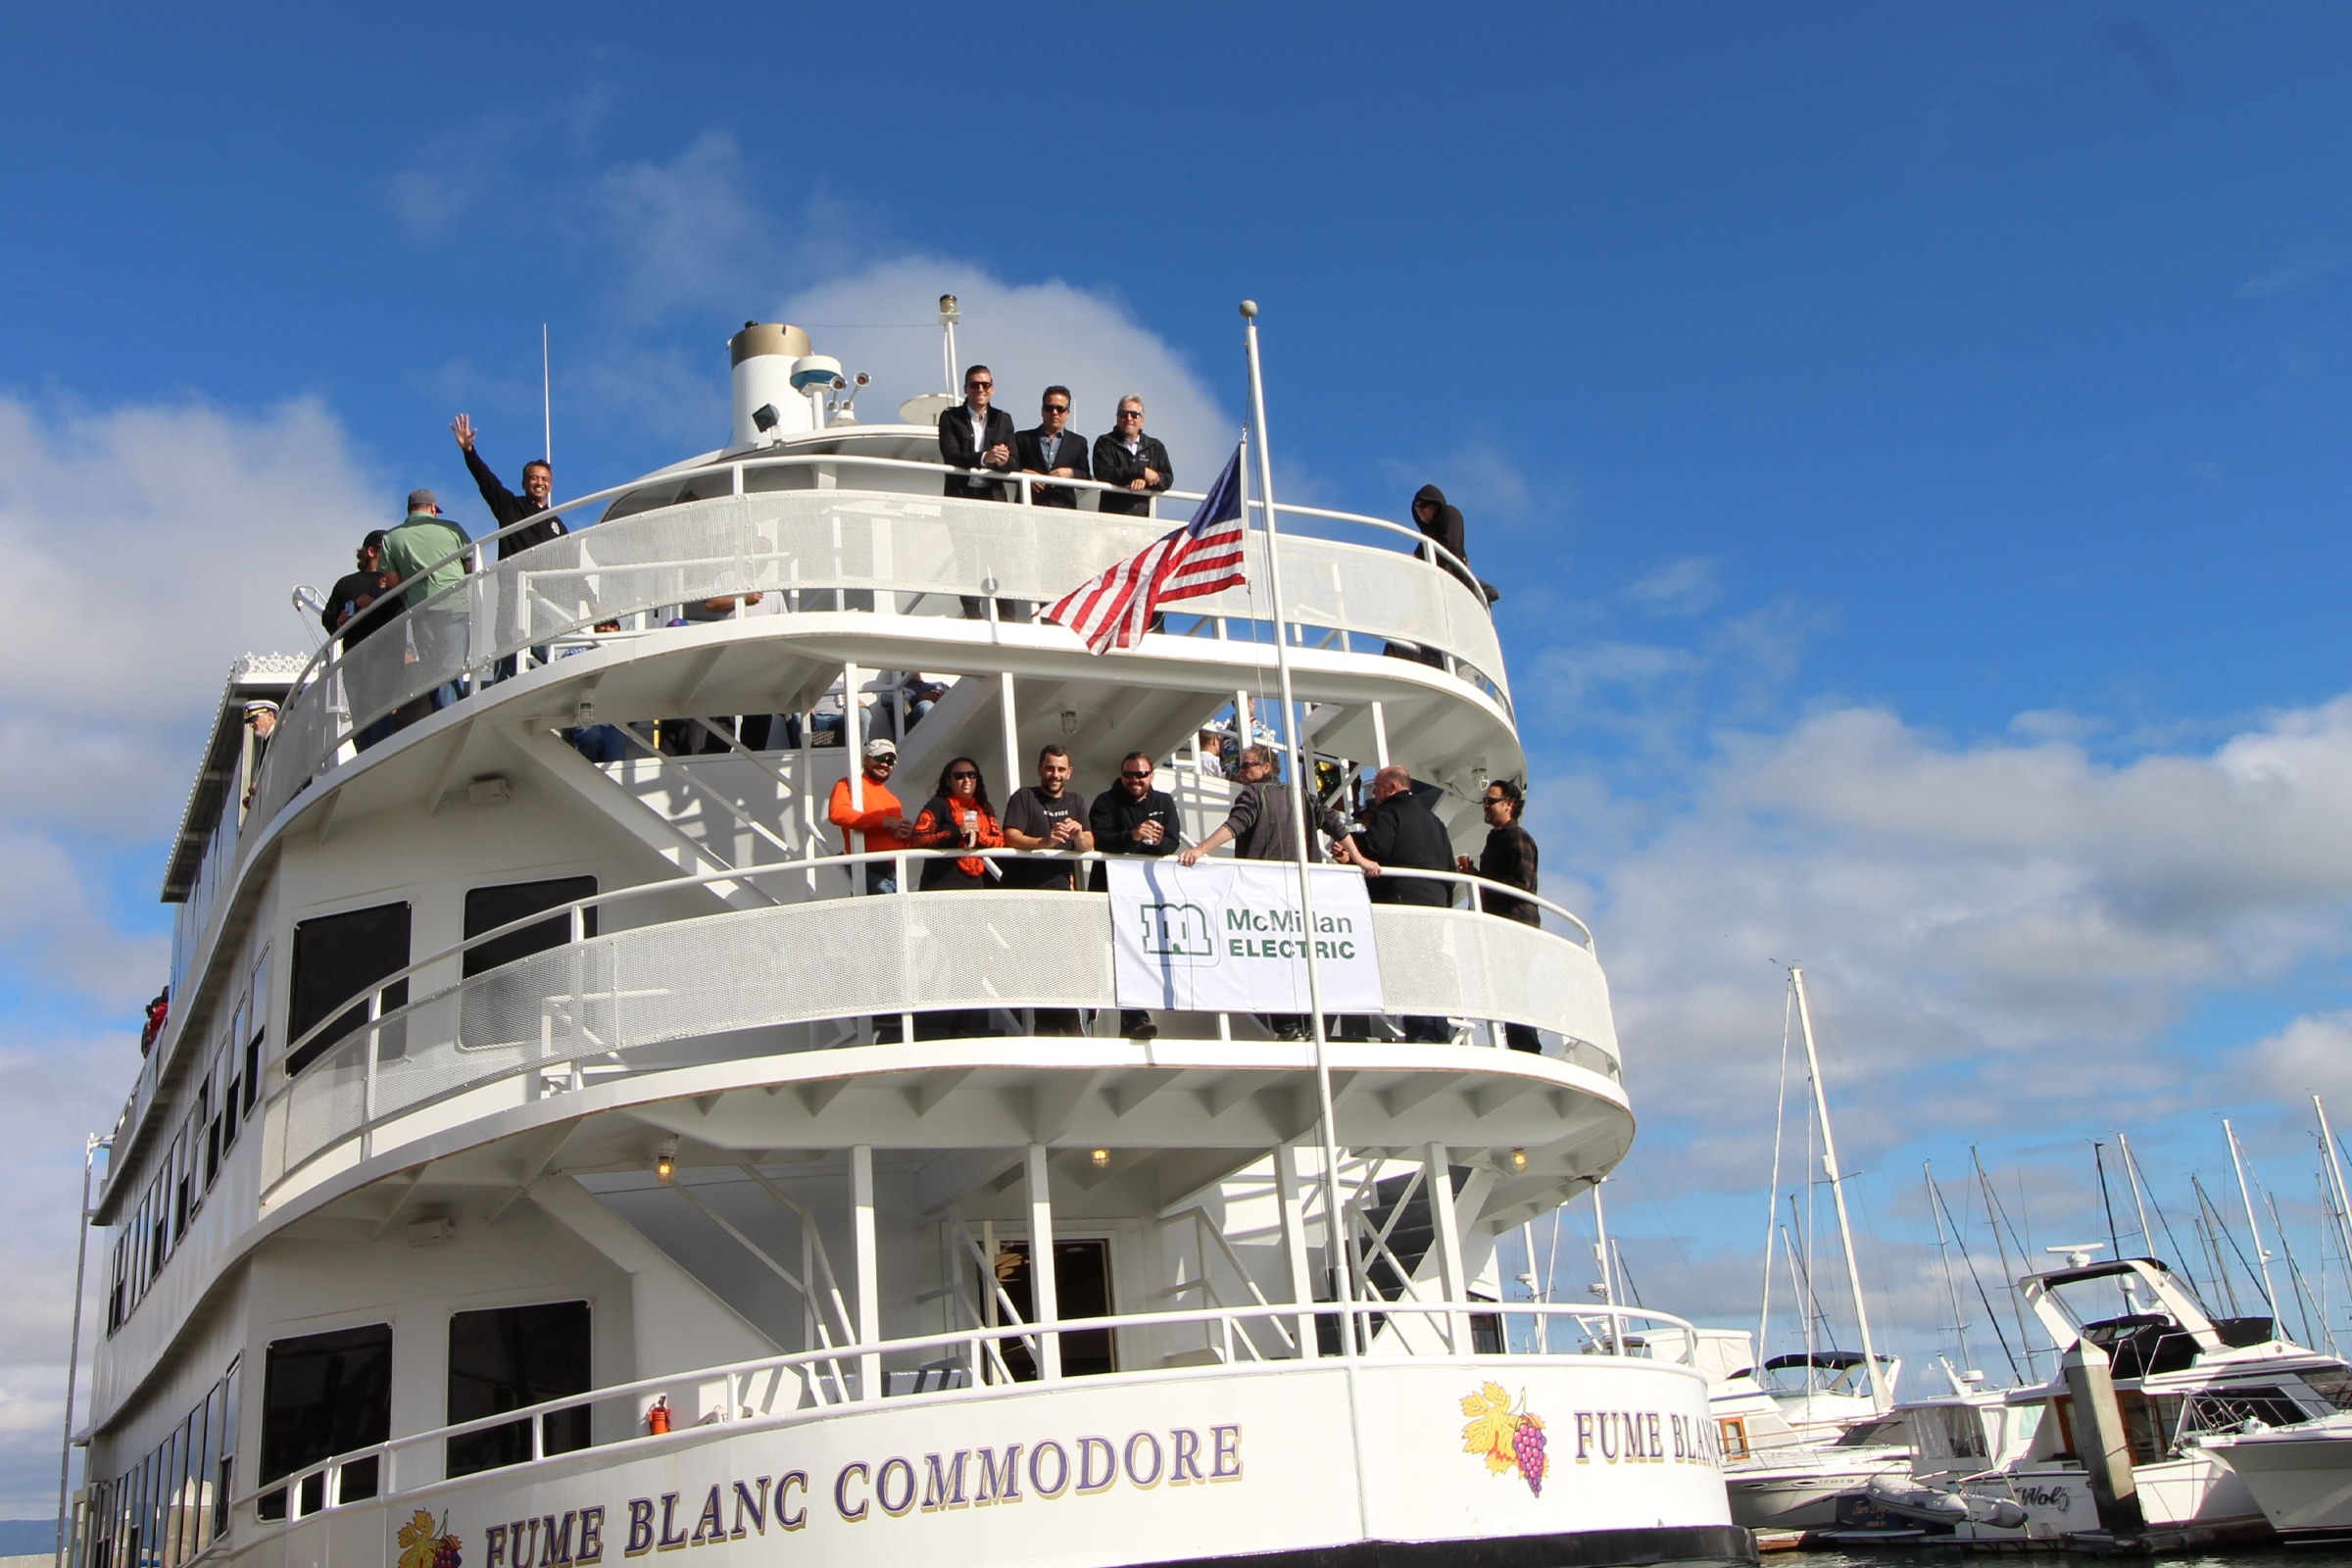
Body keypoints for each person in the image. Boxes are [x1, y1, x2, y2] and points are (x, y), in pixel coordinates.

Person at [1179, 745, 1352, 1042]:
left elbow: (1236, 824)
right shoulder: (1303, 796)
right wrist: (1358, 859)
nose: (1241, 773)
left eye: (1247, 767)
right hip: (1304, 895)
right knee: (1308, 957)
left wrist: (1198, 850)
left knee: (1273, 959)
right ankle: (1315, 1027)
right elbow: (1333, 822)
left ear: (1267, 768)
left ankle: (1288, 1027)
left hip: (1264, 894)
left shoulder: (1253, 794)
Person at [1333, 764, 1457, 1043]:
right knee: (1431, 966)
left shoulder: (1389, 812)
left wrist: (1350, 846)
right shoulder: (1435, 822)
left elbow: (1378, 848)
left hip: (1402, 903)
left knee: (1409, 967)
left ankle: (1421, 1034)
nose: (1374, 794)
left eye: (1376, 788)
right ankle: (1439, 1032)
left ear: (1391, 788)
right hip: (1435, 903)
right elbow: (1451, 871)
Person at [907, 758, 1007, 1038]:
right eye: (959, 776)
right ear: (948, 780)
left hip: (974, 891)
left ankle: (964, 1018)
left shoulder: (983, 810)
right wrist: (955, 832)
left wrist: (979, 837)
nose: (966, 781)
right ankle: (954, 1017)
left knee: (974, 954)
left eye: (972, 776)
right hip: (942, 893)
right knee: (957, 953)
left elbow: (1000, 841)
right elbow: (917, 839)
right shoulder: (937, 806)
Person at [1002, 744, 1097, 1036]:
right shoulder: (1024, 797)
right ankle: (1045, 1022)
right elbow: (1011, 835)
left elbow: (1089, 843)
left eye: (1060, 769)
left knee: (1064, 957)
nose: (1055, 774)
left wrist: (1078, 834)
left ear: (1069, 772)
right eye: (1050, 768)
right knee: (1036, 958)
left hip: (1059, 894)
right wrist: (1045, 841)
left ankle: (1068, 1020)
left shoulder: (1077, 800)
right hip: (1024, 892)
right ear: (1040, 769)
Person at [1091, 752, 1182, 1040]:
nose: (1135, 780)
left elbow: (1172, 841)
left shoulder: (1163, 802)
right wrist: (1132, 835)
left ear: (1151, 776)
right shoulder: (1105, 801)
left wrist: (1153, 842)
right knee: (1110, 954)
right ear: (1121, 775)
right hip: (1108, 891)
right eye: (1129, 774)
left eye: (1141, 775)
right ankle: (1108, 1012)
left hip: (1146, 892)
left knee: (1141, 953)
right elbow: (1100, 838)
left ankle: (1134, 1017)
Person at [1458, 778, 1543, 1053]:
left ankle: (1527, 1049)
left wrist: (1482, 883)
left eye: (1491, 800)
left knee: (1514, 989)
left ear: (1510, 805)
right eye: (1484, 800)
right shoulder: (1498, 839)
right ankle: (1521, 1046)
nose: (1485, 805)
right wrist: (1475, 877)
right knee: (1507, 990)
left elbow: (1521, 884)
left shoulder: (1516, 837)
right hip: (1502, 925)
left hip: (1514, 926)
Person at [377, 489, 474, 718]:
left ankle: (442, 716)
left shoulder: (391, 538)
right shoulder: (451, 529)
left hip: (421, 608)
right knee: (452, 668)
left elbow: (392, 580)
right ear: (432, 509)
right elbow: (471, 565)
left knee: (433, 669)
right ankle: (450, 718)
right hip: (454, 604)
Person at [324, 530, 399, 751]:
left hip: (386, 653)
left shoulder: (396, 581)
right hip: (355, 656)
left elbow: (403, 609)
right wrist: (338, 621)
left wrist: (372, 601)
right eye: (383, 548)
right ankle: (366, 757)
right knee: (359, 713)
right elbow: (329, 618)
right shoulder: (346, 584)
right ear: (370, 551)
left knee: (382, 710)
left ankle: (382, 755)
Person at [452, 416, 567, 557]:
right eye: (534, 478)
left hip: (545, 579)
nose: (539, 483)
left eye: (545, 479)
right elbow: (486, 480)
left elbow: (571, 558)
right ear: (524, 484)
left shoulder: (557, 524)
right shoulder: (509, 506)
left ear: (551, 486)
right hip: (514, 577)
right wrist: (469, 451)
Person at [827, 739, 913, 896]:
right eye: (880, 758)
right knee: (885, 912)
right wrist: (882, 822)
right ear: (865, 758)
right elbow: (837, 813)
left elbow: (899, 841)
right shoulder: (848, 784)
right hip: (866, 866)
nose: (885, 764)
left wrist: (905, 836)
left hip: (894, 870)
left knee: (894, 915)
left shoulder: (893, 799)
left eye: (890, 761)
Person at [939, 365, 1016, 502]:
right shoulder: (950, 417)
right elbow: (951, 455)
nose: (980, 389)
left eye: (985, 385)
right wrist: (985, 457)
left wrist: (1003, 461)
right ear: (966, 389)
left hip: (994, 498)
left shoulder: (1003, 419)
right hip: (959, 496)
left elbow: (1014, 463)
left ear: (992, 389)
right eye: (975, 385)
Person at [1092, 396, 1173, 516]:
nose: (1129, 418)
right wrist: (1141, 472)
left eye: (1134, 414)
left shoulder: (1155, 447)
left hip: (1144, 520)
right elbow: (1104, 473)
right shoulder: (1105, 443)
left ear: (1142, 421)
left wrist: (1145, 481)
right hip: (1111, 518)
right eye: (1123, 414)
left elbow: (1167, 479)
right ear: (1117, 418)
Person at [1014, 386, 1091, 508]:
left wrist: (1070, 473)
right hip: (1028, 507)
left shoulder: (1078, 443)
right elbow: (1008, 466)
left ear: (1067, 413)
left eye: (1060, 409)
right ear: (1042, 411)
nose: (1054, 412)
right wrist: (1023, 473)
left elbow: (1086, 478)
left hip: (1063, 509)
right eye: (1049, 408)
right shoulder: (1022, 438)